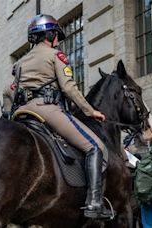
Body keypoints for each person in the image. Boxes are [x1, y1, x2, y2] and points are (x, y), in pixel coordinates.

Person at [12, 14, 112, 219]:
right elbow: (68, 88)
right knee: (94, 146)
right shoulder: (55, 55)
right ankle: (94, 202)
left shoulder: (20, 62)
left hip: (21, 112)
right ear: (49, 35)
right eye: (56, 35)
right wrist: (90, 111)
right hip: (46, 109)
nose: (57, 40)